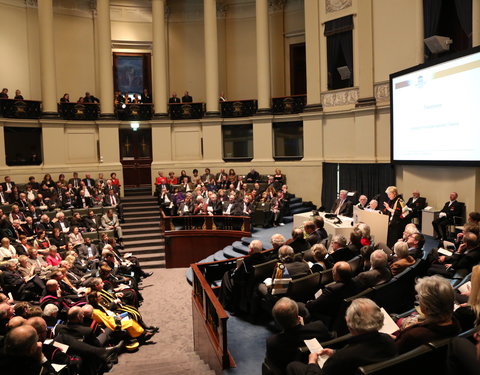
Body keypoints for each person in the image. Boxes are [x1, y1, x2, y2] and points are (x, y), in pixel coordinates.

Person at [266, 297, 332, 375]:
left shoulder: (273, 342)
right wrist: (303, 327)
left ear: (278, 322)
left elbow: (275, 365)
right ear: (298, 317)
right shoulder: (319, 327)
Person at [394, 275, 460, 353]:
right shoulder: (455, 323)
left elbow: (393, 353)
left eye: (419, 298)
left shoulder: (414, 335)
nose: (418, 301)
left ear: (426, 308)